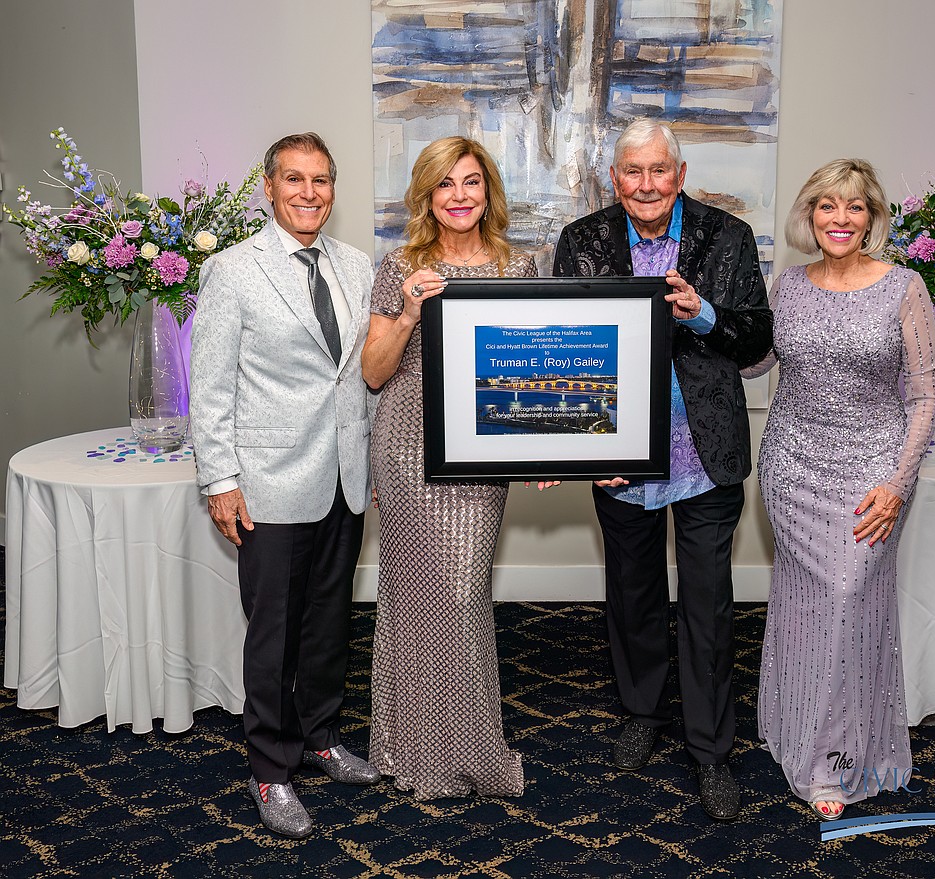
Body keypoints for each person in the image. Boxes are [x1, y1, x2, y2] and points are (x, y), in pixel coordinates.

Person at [552, 119, 773, 822]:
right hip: (619, 457)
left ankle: (712, 751)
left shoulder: (725, 236)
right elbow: (569, 352)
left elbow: (757, 337)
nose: (645, 185)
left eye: (658, 171)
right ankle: (641, 710)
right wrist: (588, 447)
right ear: (613, 178)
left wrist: (704, 313)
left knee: (708, 605)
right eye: (631, 172)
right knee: (633, 593)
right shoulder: (583, 240)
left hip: (704, 452)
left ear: (679, 174)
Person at [190, 132, 378, 838]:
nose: (309, 193)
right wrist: (220, 479)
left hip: (344, 477)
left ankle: (320, 737)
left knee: (329, 624)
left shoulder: (357, 266)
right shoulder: (233, 271)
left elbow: (362, 376)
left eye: (321, 180)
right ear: (268, 188)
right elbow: (207, 388)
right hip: (267, 482)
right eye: (294, 179)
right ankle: (270, 769)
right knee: (272, 636)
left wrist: (377, 462)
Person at [744, 158, 935, 821]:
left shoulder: (904, 288)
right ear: (810, 215)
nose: (840, 218)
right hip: (792, 465)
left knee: (847, 594)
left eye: (854, 207)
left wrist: (897, 481)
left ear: (873, 218)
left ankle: (837, 756)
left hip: (870, 470)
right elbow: (755, 360)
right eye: (827, 205)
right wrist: (702, 314)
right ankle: (792, 728)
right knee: (805, 602)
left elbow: (924, 394)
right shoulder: (788, 287)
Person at [361, 136, 545, 800]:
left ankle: (466, 748)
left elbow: (529, 370)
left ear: (488, 191)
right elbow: (375, 372)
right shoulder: (400, 265)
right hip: (409, 446)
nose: (460, 195)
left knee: (463, 598)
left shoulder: (518, 267)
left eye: (471, 182)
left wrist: (537, 446)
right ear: (427, 196)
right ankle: (409, 749)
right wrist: (410, 309)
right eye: (446, 184)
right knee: (413, 598)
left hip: (482, 448)